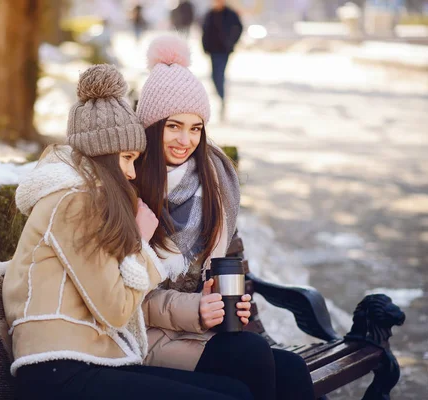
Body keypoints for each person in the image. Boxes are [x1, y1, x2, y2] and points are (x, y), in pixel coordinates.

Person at [3, 64, 253, 400]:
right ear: (103, 155)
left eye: (135, 159)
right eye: (126, 158)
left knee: (236, 388)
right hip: (58, 369)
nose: (132, 173)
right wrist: (142, 244)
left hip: (93, 358)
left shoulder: (87, 199)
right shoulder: (74, 203)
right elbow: (117, 309)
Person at [134, 35, 316, 400]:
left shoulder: (213, 185)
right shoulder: (131, 189)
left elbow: (224, 267)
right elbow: (123, 299)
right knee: (248, 357)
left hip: (197, 329)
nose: (185, 140)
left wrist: (224, 300)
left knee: (292, 369)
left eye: (195, 128)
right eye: (173, 126)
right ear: (152, 126)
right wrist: (196, 311)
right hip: (144, 335)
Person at [201, 0, 243, 119]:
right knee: (213, 75)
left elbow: (239, 28)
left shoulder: (230, 13)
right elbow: (204, 31)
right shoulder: (210, 14)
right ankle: (220, 95)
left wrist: (231, 42)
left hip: (224, 51)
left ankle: (222, 98)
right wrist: (204, 46)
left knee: (220, 74)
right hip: (213, 50)